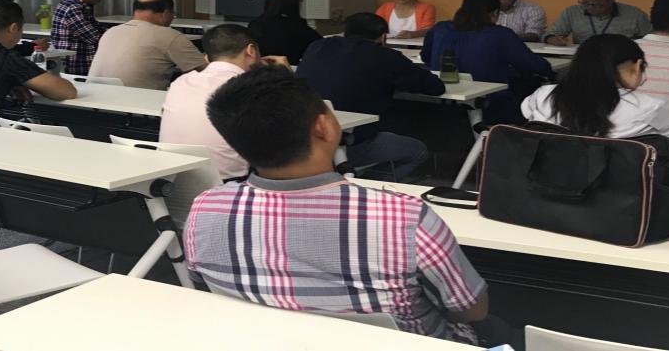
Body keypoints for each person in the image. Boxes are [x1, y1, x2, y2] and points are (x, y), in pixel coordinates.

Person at [186, 66, 516, 347]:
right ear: (323, 126)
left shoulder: (204, 209)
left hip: (269, 342)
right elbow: (471, 309)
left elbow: (200, 280)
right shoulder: (404, 218)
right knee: (498, 328)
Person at [522, 35, 669, 175]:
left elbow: (528, 114)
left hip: (545, 191)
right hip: (619, 208)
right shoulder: (652, 109)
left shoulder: (543, 96)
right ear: (637, 66)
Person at [296, 12, 442, 181]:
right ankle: (365, 185)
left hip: (301, 141)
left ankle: (352, 182)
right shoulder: (385, 56)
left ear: (345, 31)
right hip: (350, 143)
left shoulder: (317, 47)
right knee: (417, 151)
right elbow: (435, 87)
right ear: (382, 37)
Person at [161, 24, 285, 178]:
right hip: (229, 182)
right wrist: (286, 77)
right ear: (251, 50)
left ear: (206, 57)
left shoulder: (181, 82)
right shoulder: (252, 86)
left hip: (172, 178)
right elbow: (294, 127)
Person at [422, 0, 555, 122]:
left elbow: (426, 57)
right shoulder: (500, 34)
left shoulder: (440, 28)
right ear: (495, 13)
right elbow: (530, 63)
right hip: (492, 100)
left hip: (445, 95)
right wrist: (551, 72)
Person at [88, 0, 206, 89]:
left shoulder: (111, 31)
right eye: (172, 15)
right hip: (138, 103)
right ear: (165, 13)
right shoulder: (169, 35)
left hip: (95, 99)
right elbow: (204, 70)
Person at [543, 0, 652, 45]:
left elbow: (651, 40)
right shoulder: (572, 12)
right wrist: (551, 39)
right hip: (583, 60)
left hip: (621, 61)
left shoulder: (635, 15)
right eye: (585, 2)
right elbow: (549, 34)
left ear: (612, 0)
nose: (590, 7)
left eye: (597, 4)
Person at [50, 0, 109, 75]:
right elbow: (93, 37)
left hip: (77, 63)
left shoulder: (77, 5)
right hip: (76, 66)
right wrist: (115, 35)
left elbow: (97, 27)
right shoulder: (73, 8)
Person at [246, 0, 321, 65]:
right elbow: (319, 46)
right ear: (294, 5)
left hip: (257, 68)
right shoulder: (299, 28)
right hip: (289, 69)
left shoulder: (255, 25)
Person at [481, 0, 546, 42]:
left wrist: (504, 38)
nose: (495, 2)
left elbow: (534, 35)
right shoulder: (483, 10)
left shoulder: (533, 9)